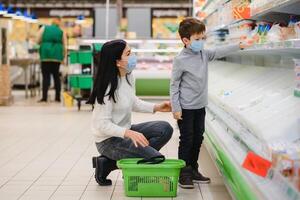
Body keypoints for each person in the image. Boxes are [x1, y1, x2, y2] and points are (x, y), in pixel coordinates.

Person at [170, 17, 250, 189]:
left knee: (198, 137)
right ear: (186, 40)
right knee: (187, 139)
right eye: (197, 39)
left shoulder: (203, 54)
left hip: (200, 106)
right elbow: (174, 85)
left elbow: (219, 51)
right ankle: (183, 173)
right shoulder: (180, 60)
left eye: (202, 38)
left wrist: (239, 45)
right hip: (185, 107)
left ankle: (193, 169)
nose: (201, 42)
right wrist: (176, 108)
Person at [87, 39, 173, 186]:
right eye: (128, 54)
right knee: (155, 157)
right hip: (108, 141)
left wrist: (157, 107)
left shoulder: (128, 76)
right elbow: (101, 124)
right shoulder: (107, 88)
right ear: (117, 62)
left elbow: (133, 101)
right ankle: (112, 163)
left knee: (165, 129)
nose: (133, 57)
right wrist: (128, 133)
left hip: (125, 130)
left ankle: (109, 163)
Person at [37, 18, 67, 102]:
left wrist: (43, 44)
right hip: (56, 56)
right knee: (56, 76)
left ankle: (44, 97)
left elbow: (37, 40)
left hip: (45, 55)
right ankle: (57, 97)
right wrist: (63, 57)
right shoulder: (61, 31)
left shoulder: (44, 28)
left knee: (45, 77)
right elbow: (64, 44)